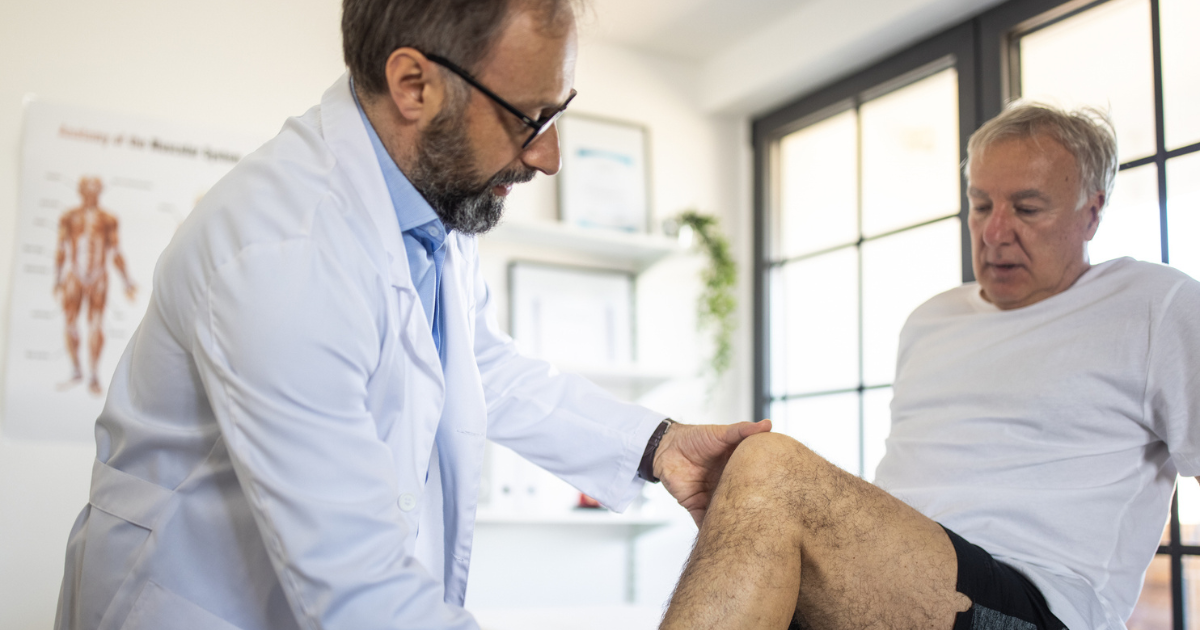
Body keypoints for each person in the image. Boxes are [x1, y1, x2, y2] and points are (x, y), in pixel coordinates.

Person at [53, 1, 769, 629]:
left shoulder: (425, 212)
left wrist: (658, 445)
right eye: (532, 117)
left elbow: (482, 368)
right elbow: (358, 584)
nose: (548, 156)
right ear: (414, 85)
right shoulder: (280, 254)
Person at [660, 103, 1200, 630]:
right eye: (982, 204)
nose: (994, 232)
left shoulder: (1155, 304)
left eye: (1028, 208)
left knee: (768, 465)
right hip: (906, 577)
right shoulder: (931, 319)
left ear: (1092, 211)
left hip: (1037, 600)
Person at [53, 176, 137, 396]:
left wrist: (127, 281)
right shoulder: (69, 217)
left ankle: (93, 374)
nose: (90, 195)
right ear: (80, 191)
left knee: (96, 325)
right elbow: (61, 248)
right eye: (87, 190)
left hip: (99, 275)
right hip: (74, 274)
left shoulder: (108, 219)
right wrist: (56, 279)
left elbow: (116, 251)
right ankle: (76, 369)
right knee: (70, 323)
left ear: (99, 192)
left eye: (94, 190)